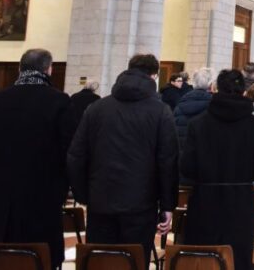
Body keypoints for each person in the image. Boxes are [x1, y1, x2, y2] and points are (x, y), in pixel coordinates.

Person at [68, 53, 179, 264]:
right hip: (141, 203)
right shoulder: (160, 111)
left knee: (100, 261)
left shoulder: (97, 108)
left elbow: (76, 156)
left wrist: (85, 195)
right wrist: (167, 205)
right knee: (134, 260)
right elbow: (167, 162)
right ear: (154, 76)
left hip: (100, 200)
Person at [0, 49, 77, 269]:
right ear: (48, 69)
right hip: (41, 199)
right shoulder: (59, 102)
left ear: (20, 68)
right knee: (38, 257)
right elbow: (69, 152)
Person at [182, 69, 254, 270]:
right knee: (238, 259)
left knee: (204, 259)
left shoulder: (198, 124)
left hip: (205, 201)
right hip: (240, 202)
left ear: (215, 89)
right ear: (243, 92)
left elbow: (187, 166)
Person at [175, 68, 214, 159]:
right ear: (210, 84)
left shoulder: (180, 105)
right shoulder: (214, 106)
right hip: (206, 158)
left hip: (183, 157)